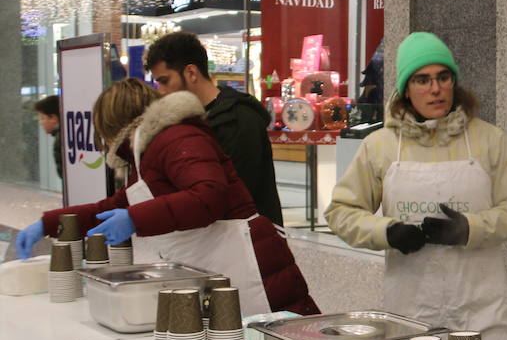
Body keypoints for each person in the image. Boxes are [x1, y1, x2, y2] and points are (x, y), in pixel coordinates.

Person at [14, 79, 318, 316]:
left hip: (255, 269)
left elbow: (208, 197)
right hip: (217, 269)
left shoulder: (178, 137)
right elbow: (112, 208)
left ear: (112, 125)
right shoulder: (146, 154)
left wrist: (135, 219)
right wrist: (49, 224)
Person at [325, 32, 507, 340]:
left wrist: (470, 228)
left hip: (481, 312)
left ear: (454, 83)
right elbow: (340, 213)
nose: (435, 89)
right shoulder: (380, 146)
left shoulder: (490, 141)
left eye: (443, 77)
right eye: (422, 79)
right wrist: (388, 232)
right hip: (412, 312)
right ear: (405, 89)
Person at [145, 30, 283, 226]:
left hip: (248, 242)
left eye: (165, 81)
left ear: (191, 73)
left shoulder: (240, 119)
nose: (161, 91)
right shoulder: (186, 121)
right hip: (210, 240)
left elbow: (238, 194)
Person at [32, 94, 62, 180]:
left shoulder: (60, 140)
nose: (40, 122)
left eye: (42, 118)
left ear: (53, 118)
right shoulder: (64, 135)